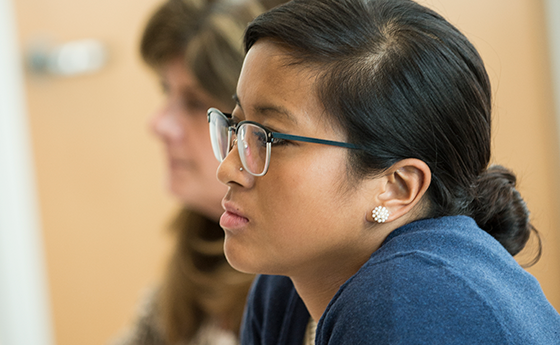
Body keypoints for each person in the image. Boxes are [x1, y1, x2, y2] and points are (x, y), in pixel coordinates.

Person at [206, 0, 560, 343]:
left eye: (272, 139)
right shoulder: (285, 290)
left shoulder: (409, 301)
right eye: (237, 127)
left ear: (397, 187)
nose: (227, 169)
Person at [111, 0, 285, 344]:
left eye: (193, 104)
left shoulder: (291, 287)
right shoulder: (199, 242)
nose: (158, 124)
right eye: (166, 91)